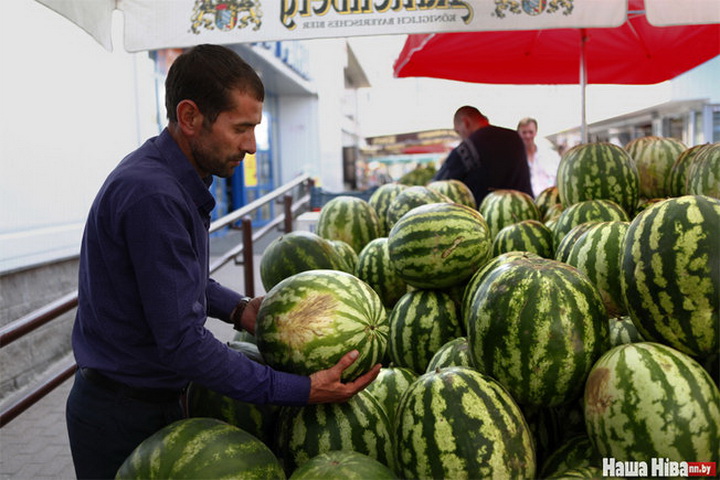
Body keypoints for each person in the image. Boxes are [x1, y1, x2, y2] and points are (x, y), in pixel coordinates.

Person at [65, 44, 381, 480]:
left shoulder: (169, 176)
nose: (251, 146)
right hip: (123, 414)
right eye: (241, 128)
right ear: (191, 117)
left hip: (145, 400)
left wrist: (238, 309)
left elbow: (176, 279)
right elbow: (182, 343)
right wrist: (300, 390)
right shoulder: (153, 195)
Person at [433, 106, 533, 205]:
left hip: (486, 216)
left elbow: (438, 185)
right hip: (524, 207)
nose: (460, 136)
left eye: (458, 131)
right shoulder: (514, 136)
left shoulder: (467, 147)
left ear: (466, 122)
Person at [517, 117, 562, 197]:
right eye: (524, 132)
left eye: (531, 132)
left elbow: (560, 179)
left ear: (536, 132)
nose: (528, 136)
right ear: (518, 133)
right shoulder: (515, 159)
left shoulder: (551, 156)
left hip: (550, 202)